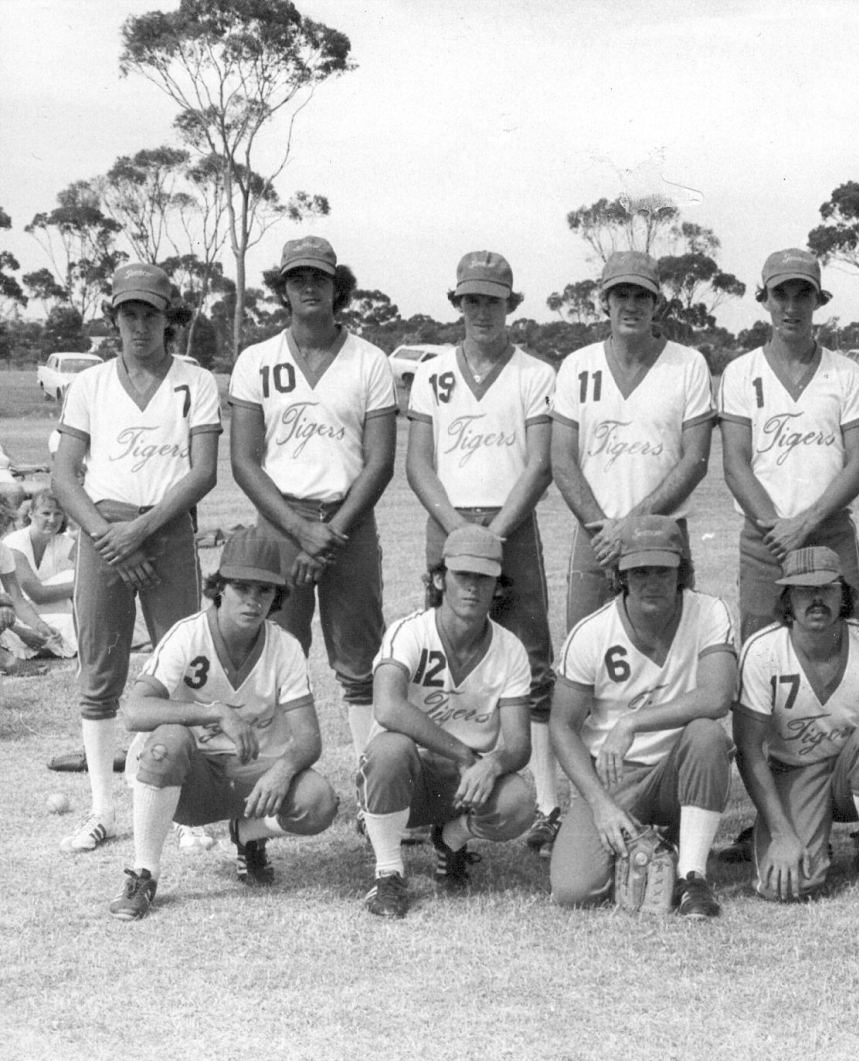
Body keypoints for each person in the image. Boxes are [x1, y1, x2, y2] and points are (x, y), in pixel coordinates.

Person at [52, 262, 221, 853]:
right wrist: (107, 536)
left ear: (168, 320)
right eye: (129, 313)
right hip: (103, 535)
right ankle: (102, 809)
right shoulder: (89, 384)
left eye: (151, 313)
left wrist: (143, 530)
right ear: (114, 319)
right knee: (100, 673)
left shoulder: (194, 382)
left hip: (168, 532)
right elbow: (63, 476)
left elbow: (203, 472)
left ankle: (178, 808)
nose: (140, 325)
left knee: (176, 669)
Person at [405, 251, 564, 852]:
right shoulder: (432, 372)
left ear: (511, 306)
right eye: (470, 300)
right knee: (440, 658)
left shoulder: (534, 374)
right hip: (448, 524)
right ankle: (434, 794)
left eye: (492, 301)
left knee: (530, 660)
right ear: (458, 304)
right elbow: (418, 463)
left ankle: (546, 804)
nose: (480, 312)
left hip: (510, 526)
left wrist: (495, 532)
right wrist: (456, 533)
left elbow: (539, 463)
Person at [108, 527, 338, 921]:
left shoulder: (285, 647)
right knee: (167, 741)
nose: (252, 600)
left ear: (276, 596)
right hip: (189, 779)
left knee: (320, 802)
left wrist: (283, 771)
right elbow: (135, 711)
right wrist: (215, 711)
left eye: (264, 591)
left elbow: (309, 738)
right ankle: (144, 872)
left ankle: (248, 833)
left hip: (253, 775)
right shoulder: (189, 634)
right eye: (241, 587)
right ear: (220, 587)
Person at [230, 236, 397, 763]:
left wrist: (331, 533)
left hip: (349, 521)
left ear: (337, 287)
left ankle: (373, 785)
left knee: (360, 661)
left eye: (319, 278)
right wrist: (301, 531)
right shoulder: (256, 360)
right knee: (276, 652)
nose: (308, 287)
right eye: (296, 278)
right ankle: (271, 777)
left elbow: (380, 462)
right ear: (282, 290)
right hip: (281, 523)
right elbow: (243, 461)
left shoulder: (370, 361)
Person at [548, 516, 737, 919]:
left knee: (707, 735)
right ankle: (648, 842)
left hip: (678, 768)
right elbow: (562, 727)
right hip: (615, 774)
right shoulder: (592, 633)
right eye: (639, 571)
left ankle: (692, 876)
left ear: (680, 571)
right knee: (574, 890)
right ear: (621, 575)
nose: (651, 581)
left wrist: (632, 721)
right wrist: (600, 804)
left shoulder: (709, 613)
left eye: (662, 571)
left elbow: (718, 696)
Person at [359, 525, 541, 919]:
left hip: (463, 783)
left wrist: (491, 765)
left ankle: (451, 840)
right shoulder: (411, 631)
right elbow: (387, 708)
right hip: (407, 775)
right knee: (390, 747)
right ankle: (388, 872)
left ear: (498, 587)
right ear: (440, 579)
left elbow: (518, 744)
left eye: (484, 578)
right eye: (463, 576)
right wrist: (464, 754)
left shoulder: (509, 649)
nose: (472, 588)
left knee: (519, 803)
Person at [733, 546, 859, 902]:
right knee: (785, 888)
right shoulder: (762, 651)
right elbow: (749, 749)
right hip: (794, 771)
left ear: (844, 594)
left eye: (827, 588)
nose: (816, 599)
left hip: (857, 770)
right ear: (787, 598)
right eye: (804, 590)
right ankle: (807, 836)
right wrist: (781, 833)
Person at [550, 251, 714, 628]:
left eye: (642, 296)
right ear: (604, 301)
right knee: (585, 655)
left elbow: (696, 461)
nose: (631, 306)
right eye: (621, 295)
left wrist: (629, 526)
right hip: (596, 538)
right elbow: (561, 460)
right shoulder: (577, 366)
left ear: (657, 302)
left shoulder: (688, 365)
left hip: (664, 533)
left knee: (672, 655)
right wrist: (605, 529)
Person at [720, 248, 859, 639]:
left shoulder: (846, 373)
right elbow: (735, 463)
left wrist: (806, 524)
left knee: (850, 643)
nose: (791, 307)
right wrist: (779, 529)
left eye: (802, 295)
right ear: (764, 300)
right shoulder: (741, 373)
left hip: (831, 530)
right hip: (765, 538)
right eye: (780, 295)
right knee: (760, 649)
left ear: (819, 301)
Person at [3, 487, 77, 658]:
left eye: (58, 514)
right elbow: (38, 594)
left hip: (39, 612)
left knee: (72, 623)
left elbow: (89, 566)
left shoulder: (61, 542)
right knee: (74, 577)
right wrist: (83, 584)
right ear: (31, 514)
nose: (52, 520)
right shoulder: (14, 545)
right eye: (46, 513)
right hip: (14, 611)